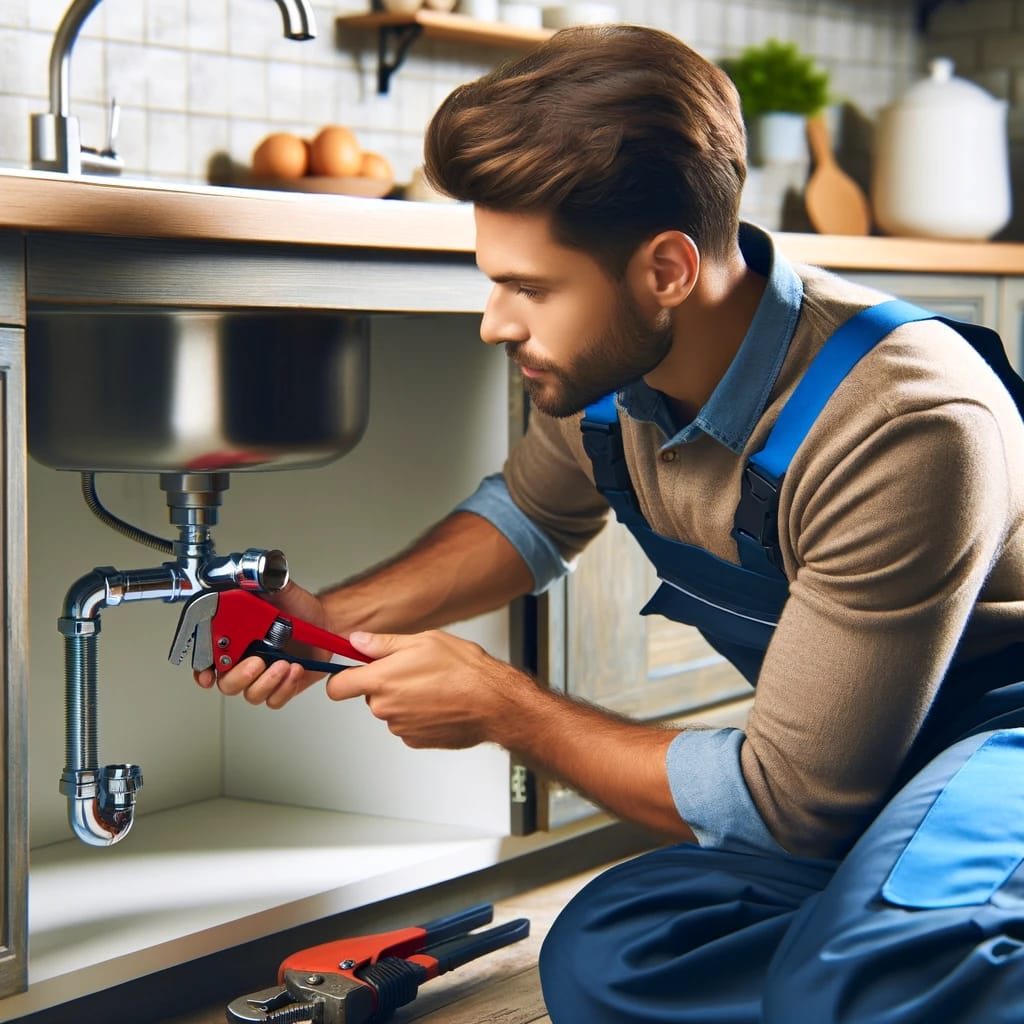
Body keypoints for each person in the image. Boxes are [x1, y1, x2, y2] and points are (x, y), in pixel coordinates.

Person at [199, 25, 1024, 1023]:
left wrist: (509, 707)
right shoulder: (611, 377)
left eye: (528, 288)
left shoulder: (902, 418)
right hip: (867, 764)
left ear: (666, 269)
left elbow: (793, 803)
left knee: (857, 980)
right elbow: (529, 515)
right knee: (610, 950)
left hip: (999, 742)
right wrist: (327, 613)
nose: (494, 323)